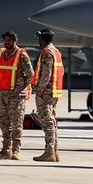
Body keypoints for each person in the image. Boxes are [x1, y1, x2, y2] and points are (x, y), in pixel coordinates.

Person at [0, 31, 34, 160]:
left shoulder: (21, 55)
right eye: (5, 40)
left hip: (15, 96)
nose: (6, 42)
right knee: (3, 123)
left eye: (9, 40)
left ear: (15, 41)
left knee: (16, 124)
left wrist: (20, 88)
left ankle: (16, 150)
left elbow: (30, 75)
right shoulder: (1, 53)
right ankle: (6, 149)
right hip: (1, 94)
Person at [32, 28, 64, 163]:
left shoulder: (47, 52)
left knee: (47, 122)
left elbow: (46, 74)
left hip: (46, 92)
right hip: (54, 91)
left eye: (39, 38)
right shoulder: (56, 52)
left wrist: (39, 90)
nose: (38, 41)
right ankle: (54, 152)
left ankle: (49, 152)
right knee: (52, 121)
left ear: (43, 39)